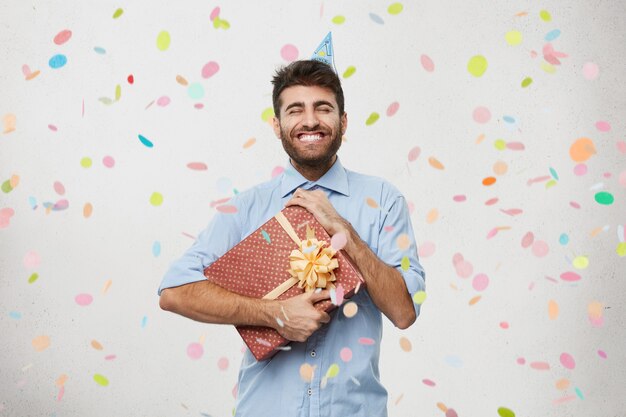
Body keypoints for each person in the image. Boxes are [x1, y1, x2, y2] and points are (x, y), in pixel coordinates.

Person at [158, 59, 425, 417]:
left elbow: (404, 311)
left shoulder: (384, 201)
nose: (310, 121)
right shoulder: (246, 207)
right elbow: (174, 292)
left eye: (324, 108)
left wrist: (345, 232)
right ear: (277, 124)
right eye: (295, 109)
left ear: (343, 122)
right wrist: (275, 313)